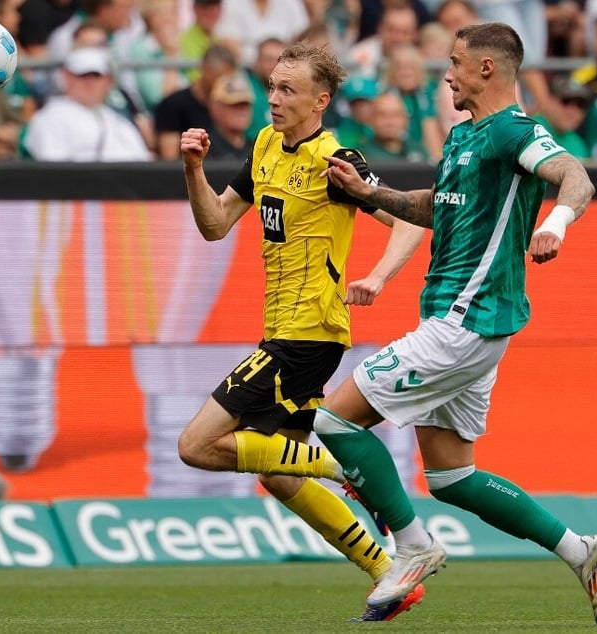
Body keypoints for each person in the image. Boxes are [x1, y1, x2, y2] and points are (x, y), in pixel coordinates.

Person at [315, 22, 597, 625]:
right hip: (467, 324)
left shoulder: (515, 132)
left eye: (453, 63)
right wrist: (368, 193)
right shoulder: (464, 139)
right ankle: (583, 551)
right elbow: (434, 205)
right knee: (452, 476)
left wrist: (555, 224)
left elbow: (575, 176)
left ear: (486, 69)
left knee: (333, 419)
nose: (445, 75)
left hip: (465, 321)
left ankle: (412, 546)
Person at [178, 40, 426, 622]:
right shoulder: (264, 146)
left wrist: (378, 276)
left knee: (195, 446)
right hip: (284, 332)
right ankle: (388, 572)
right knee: (277, 473)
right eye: (271, 86)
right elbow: (215, 224)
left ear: (321, 100)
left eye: (287, 90)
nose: (273, 99)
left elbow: (412, 224)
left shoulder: (335, 160)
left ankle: (347, 469)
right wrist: (192, 168)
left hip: (309, 334)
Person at [22, 46, 152, 161]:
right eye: (82, 75)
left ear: (108, 80)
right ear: (66, 76)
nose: (89, 82)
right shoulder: (50, 118)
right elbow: (53, 171)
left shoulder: (118, 121)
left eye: (96, 76)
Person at [153, 42, 235, 160]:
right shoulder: (173, 105)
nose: (223, 83)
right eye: (219, 77)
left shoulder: (228, 105)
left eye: (228, 78)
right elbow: (169, 159)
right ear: (205, 69)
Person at [358, 89, 428, 162]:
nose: (390, 122)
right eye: (383, 115)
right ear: (371, 119)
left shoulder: (417, 149)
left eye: (396, 115)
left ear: (406, 119)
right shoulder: (361, 156)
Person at [532, 74, 590, 160]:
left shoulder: (577, 142)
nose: (572, 111)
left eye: (580, 105)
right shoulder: (529, 130)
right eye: (565, 101)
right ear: (549, 100)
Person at [202, 70, 253, 159]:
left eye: (245, 104)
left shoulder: (256, 148)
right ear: (215, 107)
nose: (241, 111)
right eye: (234, 105)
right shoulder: (204, 149)